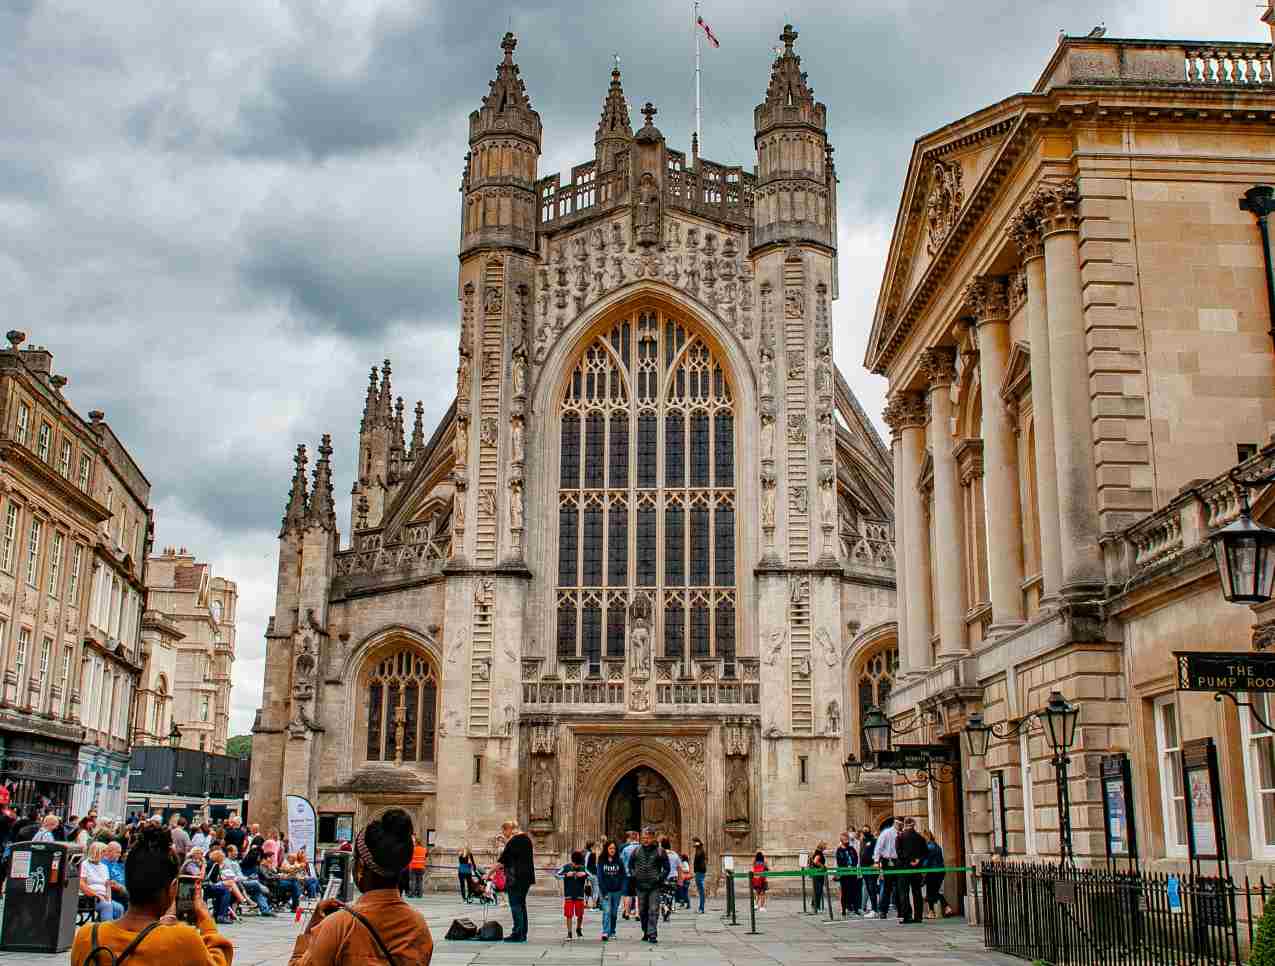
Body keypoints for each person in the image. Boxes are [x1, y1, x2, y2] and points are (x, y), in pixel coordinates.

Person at [69, 824, 232, 965]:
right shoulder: (183, 939)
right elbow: (218, 961)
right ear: (173, 888)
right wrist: (205, 918)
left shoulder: (86, 937)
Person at [289, 808, 433, 965]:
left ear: (361, 868)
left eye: (355, 859)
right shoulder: (418, 927)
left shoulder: (340, 926)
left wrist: (312, 926)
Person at [495, 819, 535, 942]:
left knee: (515, 905)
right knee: (521, 905)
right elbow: (515, 852)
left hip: (515, 878)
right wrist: (507, 841)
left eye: (504, 831)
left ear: (509, 829)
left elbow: (502, 861)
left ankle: (517, 933)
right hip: (527, 878)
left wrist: (488, 874)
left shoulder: (514, 841)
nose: (503, 833)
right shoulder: (526, 839)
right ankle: (523, 933)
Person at [630, 827, 667, 944]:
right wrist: (634, 874)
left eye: (648, 838)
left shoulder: (660, 851)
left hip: (654, 886)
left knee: (653, 909)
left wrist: (659, 878)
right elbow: (630, 865)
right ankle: (645, 930)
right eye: (644, 838)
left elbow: (667, 868)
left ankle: (652, 934)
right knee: (642, 911)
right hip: (640, 886)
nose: (645, 840)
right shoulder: (636, 851)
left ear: (653, 838)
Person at [223, 843, 275, 917]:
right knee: (256, 883)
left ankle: (265, 910)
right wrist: (247, 878)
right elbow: (233, 877)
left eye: (237, 851)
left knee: (256, 891)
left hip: (243, 880)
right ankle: (265, 890)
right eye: (235, 851)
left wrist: (248, 877)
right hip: (237, 883)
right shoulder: (226, 862)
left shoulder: (236, 862)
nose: (237, 852)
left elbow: (240, 875)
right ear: (229, 852)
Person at [895, 817, 927, 925]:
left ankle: (907, 916)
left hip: (903, 868)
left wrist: (909, 861)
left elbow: (899, 853)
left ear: (905, 825)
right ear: (914, 825)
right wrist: (917, 860)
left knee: (903, 892)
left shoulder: (900, 837)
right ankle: (918, 916)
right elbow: (925, 853)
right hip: (916, 869)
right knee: (917, 892)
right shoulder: (920, 838)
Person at [82, 841, 124, 921]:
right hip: (91, 898)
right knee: (107, 906)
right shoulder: (85, 864)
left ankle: (114, 930)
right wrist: (96, 895)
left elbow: (107, 885)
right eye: (103, 852)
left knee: (119, 908)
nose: (105, 854)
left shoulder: (104, 867)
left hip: (104, 897)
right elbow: (83, 884)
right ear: (96, 852)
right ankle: (106, 931)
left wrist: (108, 898)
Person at [922, 828, 954, 919]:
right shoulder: (937, 846)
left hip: (932, 872)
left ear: (926, 837)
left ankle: (938, 910)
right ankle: (938, 910)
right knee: (933, 892)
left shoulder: (928, 847)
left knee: (932, 892)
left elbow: (926, 861)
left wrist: (921, 869)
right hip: (940, 871)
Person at [597, 840, 625, 941]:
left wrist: (621, 887)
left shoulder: (619, 860)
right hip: (606, 890)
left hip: (617, 891)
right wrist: (603, 891)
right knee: (607, 911)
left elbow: (623, 874)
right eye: (610, 848)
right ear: (606, 849)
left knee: (613, 912)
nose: (612, 850)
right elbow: (600, 876)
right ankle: (605, 932)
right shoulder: (601, 860)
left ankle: (612, 931)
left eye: (614, 848)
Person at [558, 848, 588, 940]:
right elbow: (557, 874)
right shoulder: (566, 867)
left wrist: (584, 874)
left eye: (577, 865)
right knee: (569, 914)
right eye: (575, 864)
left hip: (579, 894)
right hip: (569, 894)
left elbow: (592, 877)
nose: (576, 866)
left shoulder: (583, 867)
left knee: (580, 914)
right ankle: (569, 932)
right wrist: (566, 875)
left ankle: (578, 929)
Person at [874, 817, 898, 920]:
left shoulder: (901, 833)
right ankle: (883, 910)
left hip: (898, 862)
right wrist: (876, 861)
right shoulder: (886, 833)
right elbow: (878, 847)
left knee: (898, 887)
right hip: (887, 861)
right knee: (886, 887)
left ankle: (899, 909)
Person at [835, 831, 861, 916]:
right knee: (845, 892)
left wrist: (853, 865)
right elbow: (839, 861)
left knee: (854, 891)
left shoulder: (851, 848)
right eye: (845, 839)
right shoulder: (839, 850)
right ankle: (844, 909)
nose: (847, 841)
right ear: (842, 840)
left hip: (852, 873)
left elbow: (856, 857)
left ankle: (855, 909)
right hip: (844, 874)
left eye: (847, 839)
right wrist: (846, 866)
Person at [104, 840, 130, 911]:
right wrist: (121, 887)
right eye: (118, 852)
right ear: (109, 851)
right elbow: (108, 882)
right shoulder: (103, 864)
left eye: (120, 852)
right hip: (115, 892)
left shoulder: (118, 864)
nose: (120, 855)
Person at [619, 830, 640, 920]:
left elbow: (622, 861)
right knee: (638, 894)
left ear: (630, 838)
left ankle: (627, 913)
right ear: (637, 837)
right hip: (639, 874)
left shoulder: (626, 849)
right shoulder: (641, 848)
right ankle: (637, 913)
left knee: (628, 894)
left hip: (628, 874)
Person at [859, 825, 878, 916]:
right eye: (864, 830)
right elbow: (861, 854)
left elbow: (877, 852)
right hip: (864, 868)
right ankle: (872, 908)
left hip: (871, 867)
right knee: (868, 889)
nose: (865, 832)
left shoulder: (874, 841)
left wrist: (876, 862)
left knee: (872, 888)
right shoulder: (862, 841)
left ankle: (874, 909)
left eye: (866, 830)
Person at [691, 837, 708, 914]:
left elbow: (699, 862)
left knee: (701, 891)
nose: (693, 844)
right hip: (699, 872)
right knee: (701, 891)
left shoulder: (700, 851)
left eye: (694, 842)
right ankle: (701, 908)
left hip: (700, 872)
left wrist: (698, 844)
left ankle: (701, 908)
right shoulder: (699, 850)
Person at [810, 841, 827, 913]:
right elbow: (815, 861)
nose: (826, 847)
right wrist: (822, 866)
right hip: (818, 873)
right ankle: (817, 907)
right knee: (818, 890)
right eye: (825, 846)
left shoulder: (816, 852)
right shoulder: (819, 853)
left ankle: (814, 905)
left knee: (816, 889)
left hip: (816, 873)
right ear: (822, 846)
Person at [584, 840, 598, 908]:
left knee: (587, 888)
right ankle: (594, 903)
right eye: (594, 845)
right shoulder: (590, 853)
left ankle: (586, 903)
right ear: (592, 846)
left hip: (588, 873)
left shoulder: (588, 852)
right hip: (592, 873)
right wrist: (589, 873)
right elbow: (586, 864)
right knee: (595, 888)